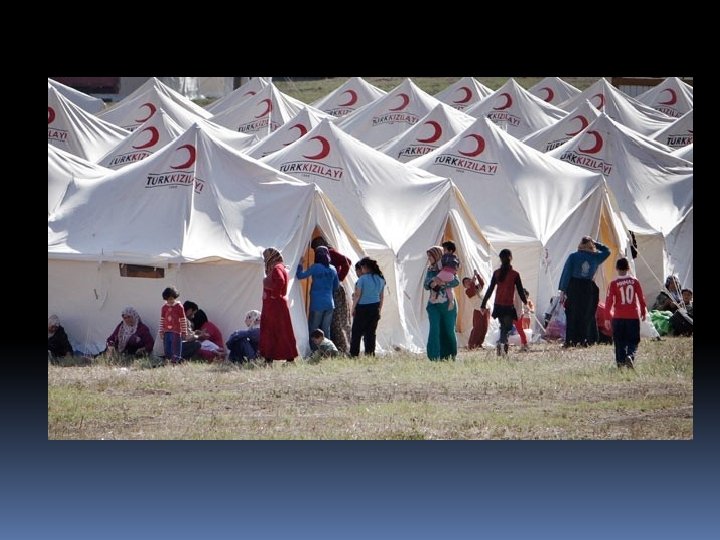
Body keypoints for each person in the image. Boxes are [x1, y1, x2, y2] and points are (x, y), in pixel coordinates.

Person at [558, 235, 611, 347]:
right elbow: (607, 251)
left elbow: (566, 273)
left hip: (574, 286)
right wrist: (595, 243)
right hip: (588, 287)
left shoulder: (573, 256)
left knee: (572, 314)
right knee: (586, 314)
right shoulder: (596, 257)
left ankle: (571, 341)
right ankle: (584, 340)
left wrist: (562, 290)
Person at [481, 249, 528, 356]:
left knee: (503, 326)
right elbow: (521, 291)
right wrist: (525, 302)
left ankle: (501, 345)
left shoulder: (496, 273)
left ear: (500, 259)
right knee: (507, 328)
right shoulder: (515, 274)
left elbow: (490, 289)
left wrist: (483, 303)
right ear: (510, 258)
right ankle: (502, 345)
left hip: (498, 305)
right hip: (508, 306)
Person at [311, 236, 353, 354]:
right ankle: (332, 346)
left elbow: (347, 262)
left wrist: (339, 278)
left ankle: (342, 347)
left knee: (338, 320)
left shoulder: (330, 252)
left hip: (335, 289)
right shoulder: (323, 255)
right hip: (329, 290)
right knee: (332, 321)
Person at [605, 257, 647, 368]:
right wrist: (643, 311)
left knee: (619, 341)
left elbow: (608, 301)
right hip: (633, 316)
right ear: (628, 268)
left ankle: (620, 363)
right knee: (633, 340)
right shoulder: (634, 281)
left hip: (618, 317)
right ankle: (630, 355)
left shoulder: (613, 283)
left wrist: (606, 318)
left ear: (616, 268)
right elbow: (641, 298)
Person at [296, 245, 339, 350]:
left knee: (314, 329)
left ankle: (314, 351)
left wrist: (300, 265)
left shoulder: (316, 267)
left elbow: (300, 276)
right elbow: (336, 286)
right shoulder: (333, 269)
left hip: (317, 303)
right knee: (326, 329)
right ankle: (328, 351)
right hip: (330, 303)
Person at [259, 247, 298, 364]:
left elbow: (280, 281)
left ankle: (270, 357)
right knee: (279, 330)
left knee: (273, 331)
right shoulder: (279, 267)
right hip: (274, 305)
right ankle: (272, 357)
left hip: (275, 306)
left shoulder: (277, 268)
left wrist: (274, 295)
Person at [424, 246, 460, 361]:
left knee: (449, 330)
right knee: (434, 329)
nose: (429, 258)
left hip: (448, 304)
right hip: (434, 305)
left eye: (431, 255)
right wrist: (432, 282)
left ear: (437, 255)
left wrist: (443, 284)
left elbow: (456, 281)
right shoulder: (430, 269)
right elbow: (426, 285)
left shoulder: (447, 267)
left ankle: (449, 356)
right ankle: (434, 356)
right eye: (428, 256)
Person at [350, 257, 385, 357]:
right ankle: (370, 354)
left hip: (362, 308)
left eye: (362, 268)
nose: (361, 270)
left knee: (356, 332)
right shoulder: (381, 279)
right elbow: (381, 297)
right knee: (371, 333)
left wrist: (353, 308)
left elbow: (357, 295)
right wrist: (379, 309)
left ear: (365, 267)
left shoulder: (362, 279)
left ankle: (354, 354)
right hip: (375, 307)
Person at [159, 286, 189, 364]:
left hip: (176, 331)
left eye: (171, 299)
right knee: (167, 347)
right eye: (168, 299)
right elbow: (162, 320)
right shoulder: (164, 308)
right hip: (166, 331)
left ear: (175, 297)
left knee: (176, 347)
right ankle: (168, 360)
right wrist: (161, 331)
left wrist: (184, 331)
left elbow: (183, 319)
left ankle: (175, 361)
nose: (170, 301)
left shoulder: (179, 306)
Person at [429, 240, 460, 310]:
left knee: (435, 280)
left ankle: (434, 296)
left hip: (444, 272)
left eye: (445, 250)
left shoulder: (445, 257)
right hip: (451, 275)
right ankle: (451, 301)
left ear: (450, 251)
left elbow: (440, 266)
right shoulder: (456, 258)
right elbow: (457, 268)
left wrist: (438, 264)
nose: (443, 252)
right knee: (449, 289)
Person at [462, 271, 489, 349]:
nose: (468, 282)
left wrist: (477, 275)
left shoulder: (476, 287)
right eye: (466, 282)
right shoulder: (467, 291)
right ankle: (472, 344)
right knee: (477, 328)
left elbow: (482, 284)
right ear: (464, 286)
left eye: (468, 280)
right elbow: (472, 292)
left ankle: (479, 343)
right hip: (478, 310)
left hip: (484, 309)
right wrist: (473, 282)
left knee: (484, 327)